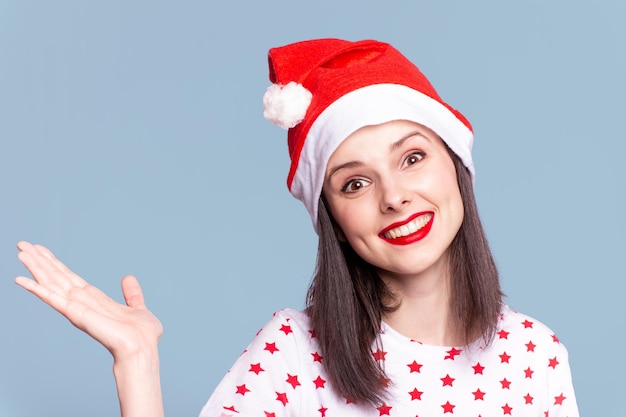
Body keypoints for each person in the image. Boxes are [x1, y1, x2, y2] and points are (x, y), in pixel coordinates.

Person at [15, 38, 579, 417]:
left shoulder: (537, 357)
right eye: (355, 183)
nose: (395, 197)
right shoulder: (294, 352)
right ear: (330, 214)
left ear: (457, 167)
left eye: (412, 158)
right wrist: (138, 365)